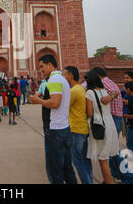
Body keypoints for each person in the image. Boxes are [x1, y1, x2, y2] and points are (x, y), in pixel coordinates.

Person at [29, 54, 77, 184]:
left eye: (42, 66)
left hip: (56, 130)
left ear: (50, 65)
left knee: (55, 171)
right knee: (67, 169)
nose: (41, 70)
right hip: (63, 128)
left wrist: (38, 100)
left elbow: (55, 103)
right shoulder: (61, 78)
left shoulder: (54, 79)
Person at [90, 67, 133, 184]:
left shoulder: (104, 82)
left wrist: (110, 97)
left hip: (112, 119)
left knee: (114, 154)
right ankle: (113, 176)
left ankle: (129, 179)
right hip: (116, 118)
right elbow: (116, 91)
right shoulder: (110, 82)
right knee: (110, 153)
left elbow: (116, 92)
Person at [85, 70, 119, 184]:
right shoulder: (105, 91)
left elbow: (89, 113)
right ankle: (107, 180)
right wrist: (112, 95)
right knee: (105, 157)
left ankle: (108, 182)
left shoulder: (89, 93)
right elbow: (116, 91)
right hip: (109, 122)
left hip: (98, 125)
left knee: (103, 159)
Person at [64, 66, 93, 184]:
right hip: (83, 128)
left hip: (76, 129)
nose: (64, 77)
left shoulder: (74, 91)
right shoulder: (81, 88)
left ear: (71, 75)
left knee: (77, 161)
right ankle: (90, 181)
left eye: (65, 74)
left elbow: (62, 105)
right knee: (86, 160)